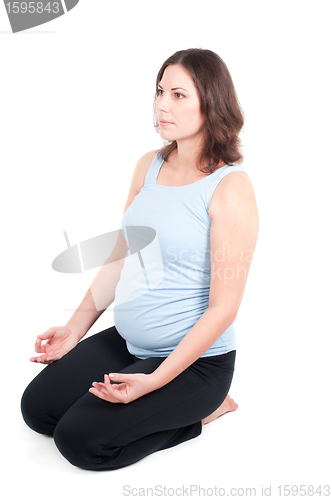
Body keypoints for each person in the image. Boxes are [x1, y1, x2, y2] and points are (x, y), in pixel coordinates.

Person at [21, 48, 259, 471]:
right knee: (37, 411)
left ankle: (206, 411)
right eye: (160, 91)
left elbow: (224, 308)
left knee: (80, 443)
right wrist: (75, 329)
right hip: (129, 344)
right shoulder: (148, 166)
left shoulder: (230, 188)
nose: (162, 104)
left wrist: (155, 380)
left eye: (179, 95)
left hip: (194, 365)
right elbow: (121, 254)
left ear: (212, 102)